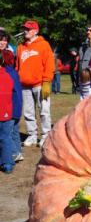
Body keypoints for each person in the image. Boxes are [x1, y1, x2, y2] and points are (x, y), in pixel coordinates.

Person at [16, 20, 54, 148]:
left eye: (28, 29)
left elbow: (49, 64)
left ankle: (46, 136)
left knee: (44, 111)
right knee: (28, 112)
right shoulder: (21, 47)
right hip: (24, 85)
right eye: (24, 29)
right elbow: (17, 67)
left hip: (40, 84)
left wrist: (47, 82)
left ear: (35, 31)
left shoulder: (44, 45)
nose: (25, 31)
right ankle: (32, 135)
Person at [0, 31, 23, 162]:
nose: (2, 42)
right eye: (0, 40)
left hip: (10, 89)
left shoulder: (8, 56)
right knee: (11, 127)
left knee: (12, 125)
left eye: (4, 40)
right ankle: (16, 152)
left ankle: (15, 152)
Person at [0, 51, 17, 173]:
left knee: (4, 138)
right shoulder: (8, 76)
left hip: (4, 112)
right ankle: (8, 163)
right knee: (5, 137)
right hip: (7, 113)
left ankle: (7, 162)